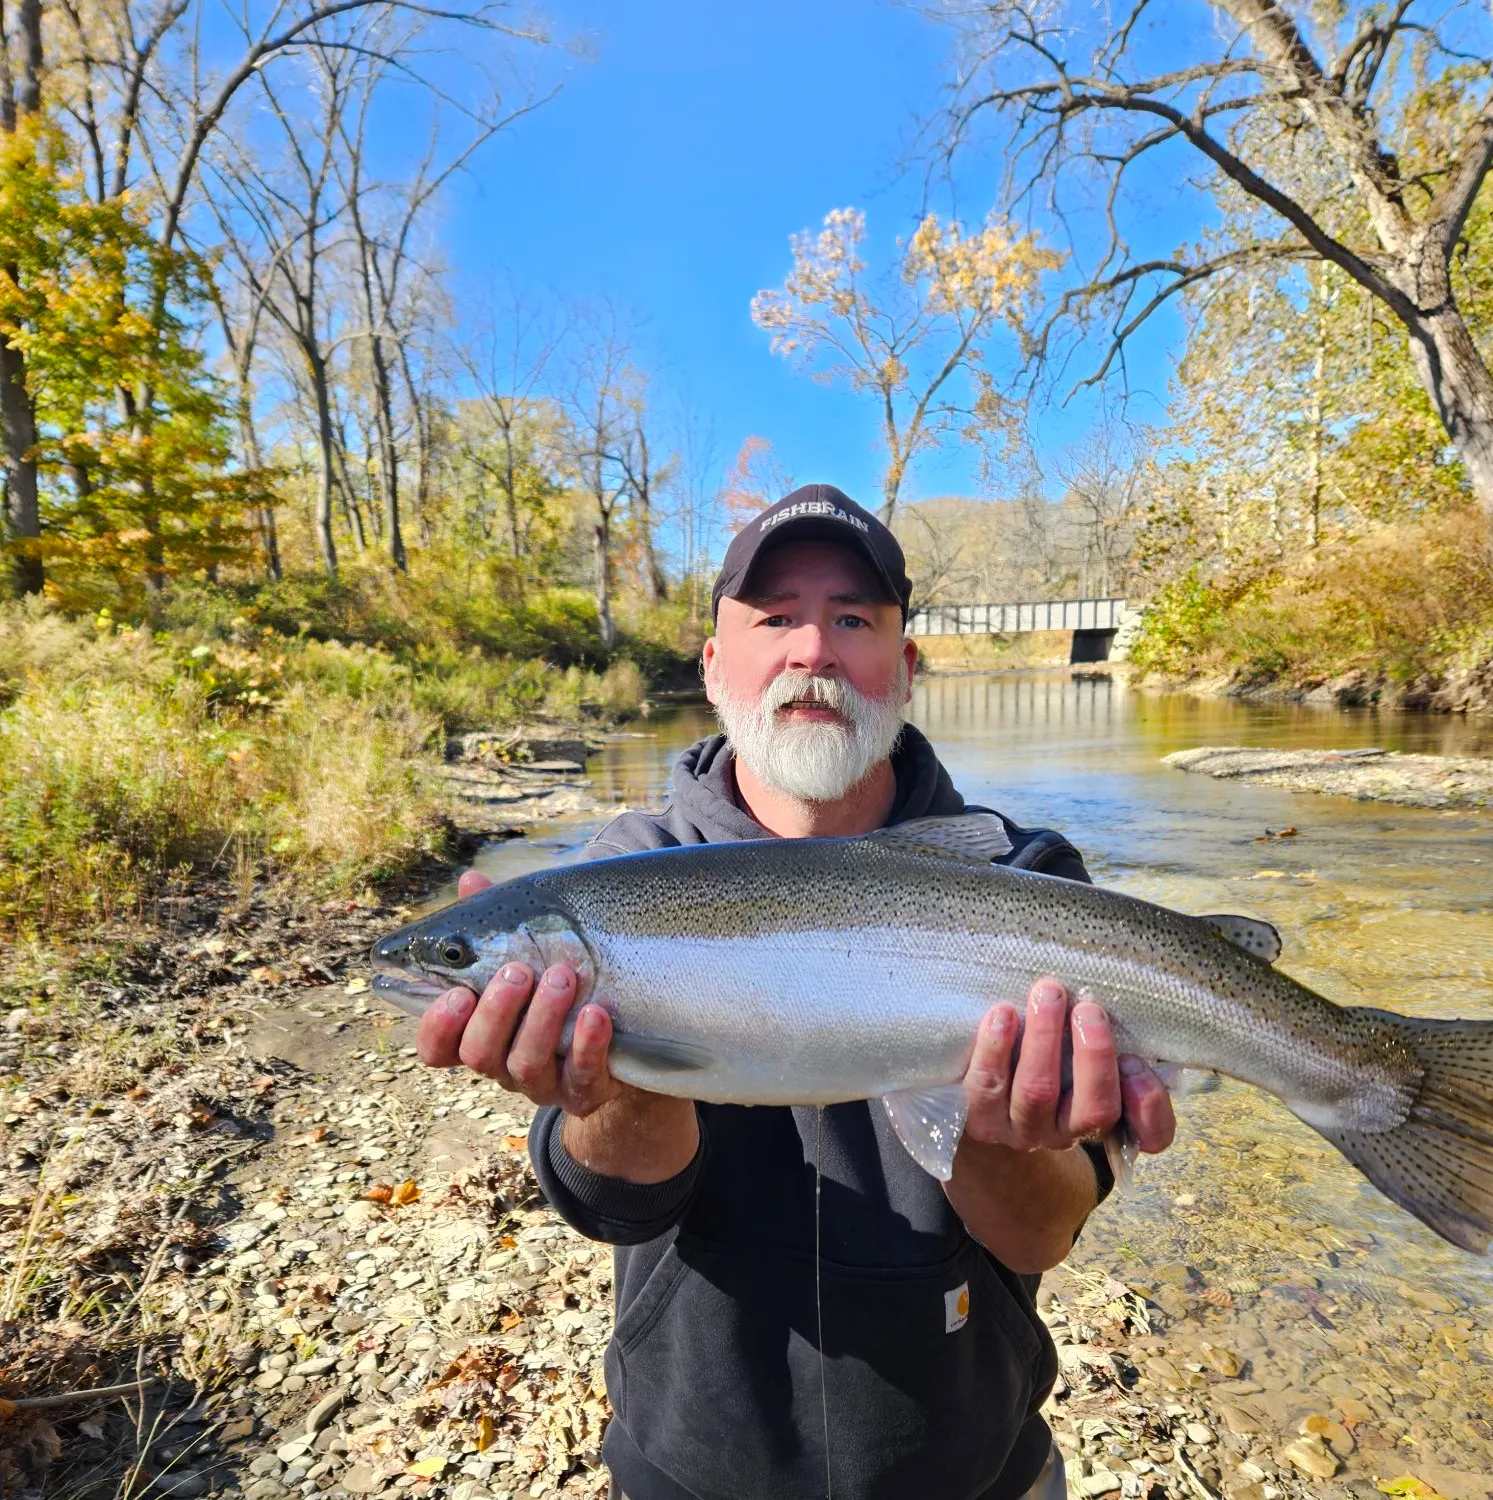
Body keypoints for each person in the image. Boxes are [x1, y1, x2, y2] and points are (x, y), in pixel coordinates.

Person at [417, 484, 1176, 1500]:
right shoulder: (627, 869)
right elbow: (611, 1212)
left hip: (970, 1470)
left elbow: (1041, 1236)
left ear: (904, 670)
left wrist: (995, 1128)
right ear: (714, 665)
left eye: (852, 619)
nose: (812, 650)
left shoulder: (1027, 878)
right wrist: (623, 1071)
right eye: (775, 617)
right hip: (693, 1464)